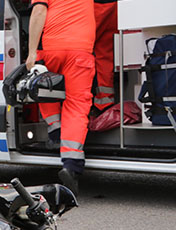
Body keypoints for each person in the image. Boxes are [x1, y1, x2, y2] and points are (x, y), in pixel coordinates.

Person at [26, 0, 95, 195]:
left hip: (52, 46)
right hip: (81, 49)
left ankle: (56, 131)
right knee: (77, 104)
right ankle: (71, 165)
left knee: (46, 90)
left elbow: (39, 11)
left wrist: (31, 53)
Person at [93, 0, 118, 114]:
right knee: (105, 54)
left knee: (79, 50)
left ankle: (101, 104)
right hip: (115, 6)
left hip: (94, 7)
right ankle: (105, 103)